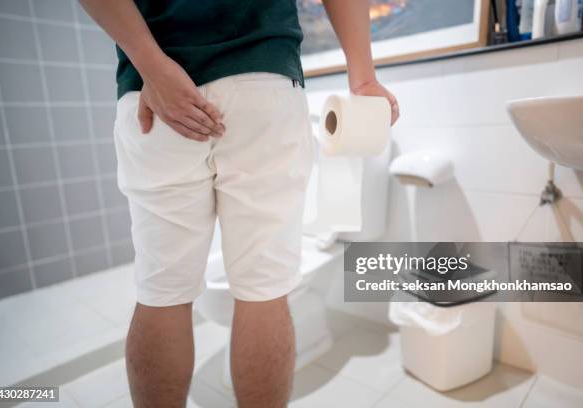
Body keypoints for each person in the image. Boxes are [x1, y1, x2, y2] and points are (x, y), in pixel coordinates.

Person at [78, 1, 399, 407]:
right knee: (263, 292)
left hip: (154, 95)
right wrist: (364, 77)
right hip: (262, 83)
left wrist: (152, 66)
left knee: (163, 292)